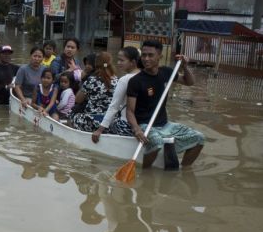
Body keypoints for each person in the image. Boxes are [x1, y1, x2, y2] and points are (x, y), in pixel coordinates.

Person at [126, 40, 205, 168]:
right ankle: (146, 172)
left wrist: (184, 66)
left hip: (164, 124)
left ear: (160, 57)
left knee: (199, 138)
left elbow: (189, 82)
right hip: (145, 124)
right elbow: (130, 111)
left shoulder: (166, 72)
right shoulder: (136, 81)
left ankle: (183, 169)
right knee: (156, 142)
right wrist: (137, 130)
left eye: (150, 55)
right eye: (144, 55)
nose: (146, 59)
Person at [92, 46, 142, 143]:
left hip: (125, 125)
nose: (118, 63)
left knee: (81, 120)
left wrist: (99, 130)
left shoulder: (124, 80)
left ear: (133, 62)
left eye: (122, 60)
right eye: (118, 60)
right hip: (141, 125)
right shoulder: (144, 76)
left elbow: (114, 107)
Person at [69, 52, 118, 132]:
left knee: (71, 113)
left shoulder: (92, 80)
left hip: (92, 121)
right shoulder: (118, 81)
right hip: (110, 123)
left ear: (96, 64)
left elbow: (78, 100)